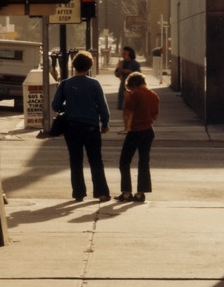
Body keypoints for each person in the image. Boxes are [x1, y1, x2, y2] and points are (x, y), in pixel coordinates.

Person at [51, 49, 110, 201]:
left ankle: (78, 193)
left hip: (72, 127)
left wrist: (68, 107)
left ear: (74, 65)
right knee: (95, 160)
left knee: (75, 160)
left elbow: (55, 105)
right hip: (91, 127)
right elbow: (103, 107)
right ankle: (101, 192)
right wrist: (105, 123)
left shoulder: (65, 84)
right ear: (89, 66)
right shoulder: (94, 84)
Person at [117, 70, 159, 202]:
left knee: (124, 161)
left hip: (135, 131)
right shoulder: (153, 95)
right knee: (144, 162)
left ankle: (126, 192)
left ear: (133, 85)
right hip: (148, 131)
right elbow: (155, 116)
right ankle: (140, 193)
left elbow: (128, 113)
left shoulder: (134, 95)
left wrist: (126, 128)